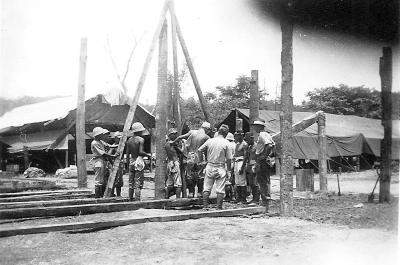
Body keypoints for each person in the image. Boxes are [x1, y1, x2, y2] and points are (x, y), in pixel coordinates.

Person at [198, 124, 233, 210]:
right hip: (220, 167)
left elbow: (199, 150)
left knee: (206, 188)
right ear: (226, 134)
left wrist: (202, 161)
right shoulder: (226, 143)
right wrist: (229, 171)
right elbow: (229, 159)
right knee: (220, 189)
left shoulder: (210, 141)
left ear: (218, 132)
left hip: (210, 166)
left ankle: (205, 206)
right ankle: (218, 207)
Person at [173, 121, 211, 198]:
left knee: (190, 175)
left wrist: (173, 143)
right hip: (200, 157)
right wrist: (207, 160)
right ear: (206, 129)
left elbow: (180, 137)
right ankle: (199, 193)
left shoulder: (192, 132)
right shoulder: (206, 137)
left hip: (190, 156)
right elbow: (207, 150)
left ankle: (191, 192)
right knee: (200, 176)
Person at [251, 119, 274, 210]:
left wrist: (264, 156)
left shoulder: (263, 134)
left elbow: (269, 145)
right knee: (264, 181)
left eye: (256, 126)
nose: (254, 128)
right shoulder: (265, 134)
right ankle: (265, 201)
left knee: (262, 181)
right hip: (262, 160)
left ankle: (265, 202)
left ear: (260, 127)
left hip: (262, 161)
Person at [126, 122, 150, 201]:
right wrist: (148, 155)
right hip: (138, 161)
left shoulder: (129, 140)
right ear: (139, 131)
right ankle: (137, 200)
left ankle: (130, 198)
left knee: (131, 182)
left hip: (132, 161)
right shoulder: (141, 139)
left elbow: (127, 154)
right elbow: (140, 152)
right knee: (138, 183)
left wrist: (127, 166)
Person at [91, 127, 116, 198]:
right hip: (98, 161)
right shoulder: (94, 143)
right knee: (98, 180)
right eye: (101, 134)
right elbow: (103, 153)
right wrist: (112, 156)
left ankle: (101, 195)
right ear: (98, 135)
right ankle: (97, 196)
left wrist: (116, 145)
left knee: (102, 180)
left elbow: (109, 146)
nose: (102, 135)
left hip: (102, 161)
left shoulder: (100, 141)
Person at [165, 128, 185, 199]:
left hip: (169, 163)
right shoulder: (173, 144)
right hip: (175, 162)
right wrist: (183, 145)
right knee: (178, 183)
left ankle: (166, 198)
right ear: (171, 135)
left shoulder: (166, 144)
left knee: (169, 183)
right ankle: (178, 199)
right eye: (174, 134)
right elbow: (182, 152)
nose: (175, 135)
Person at [244, 132, 260, 204]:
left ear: (251, 138)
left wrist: (254, 165)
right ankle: (254, 198)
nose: (247, 141)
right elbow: (247, 157)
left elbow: (257, 157)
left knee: (255, 183)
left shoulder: (256, 146)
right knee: (251, 183)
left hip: (254, 166)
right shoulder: (249, 147)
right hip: (250, 166)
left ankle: (256, 199)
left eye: (248, 140)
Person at [233, 131, 248, 203]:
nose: (235, 137)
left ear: (241, 136)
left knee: (242, 181)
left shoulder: (244, 144)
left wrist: (242, 167)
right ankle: (238, 198)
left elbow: (245, 156)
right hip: (236, 162)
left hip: (241, 162)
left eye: (237, 136)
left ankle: (243, 198)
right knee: (237, 181)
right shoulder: (237, 144)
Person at [109, 131, 124, 197]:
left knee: (119, 181)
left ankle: (118, 195)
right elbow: (109, 155)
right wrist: (112, 163)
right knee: (113, 180)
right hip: (114, 165)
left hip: (120, 165)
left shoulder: (122, 145)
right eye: (118, 138)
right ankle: (111, 194)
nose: (119, 139)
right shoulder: (114, 145)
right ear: (115, 138)